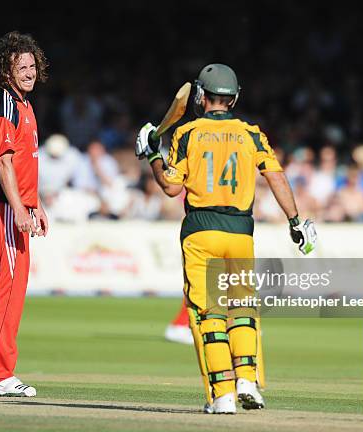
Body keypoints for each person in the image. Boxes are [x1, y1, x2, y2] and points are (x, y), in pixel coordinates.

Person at [135, 64, 317, 414]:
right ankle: (248, 379)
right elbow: (276, 177)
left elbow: (171, 187)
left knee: (209, 314)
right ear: (234, 98)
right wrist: (295, 221)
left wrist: (152, 154)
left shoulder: (188, 132)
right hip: (240, 233)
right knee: (243, 310)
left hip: (202, 232)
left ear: (201, 96)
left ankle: (223, 396)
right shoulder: (251, 133)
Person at [0, 31, 49, 397]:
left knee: (11, 284)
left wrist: (36, 203)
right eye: (22, 66)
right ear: (5, 70)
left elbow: (24, 163)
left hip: (15, 205)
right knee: (10, 287)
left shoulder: (23, 104)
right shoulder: (4, 104)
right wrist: (18, 208)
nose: (30, 72)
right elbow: (2, 163)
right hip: (1, 206)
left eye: (32, 65)